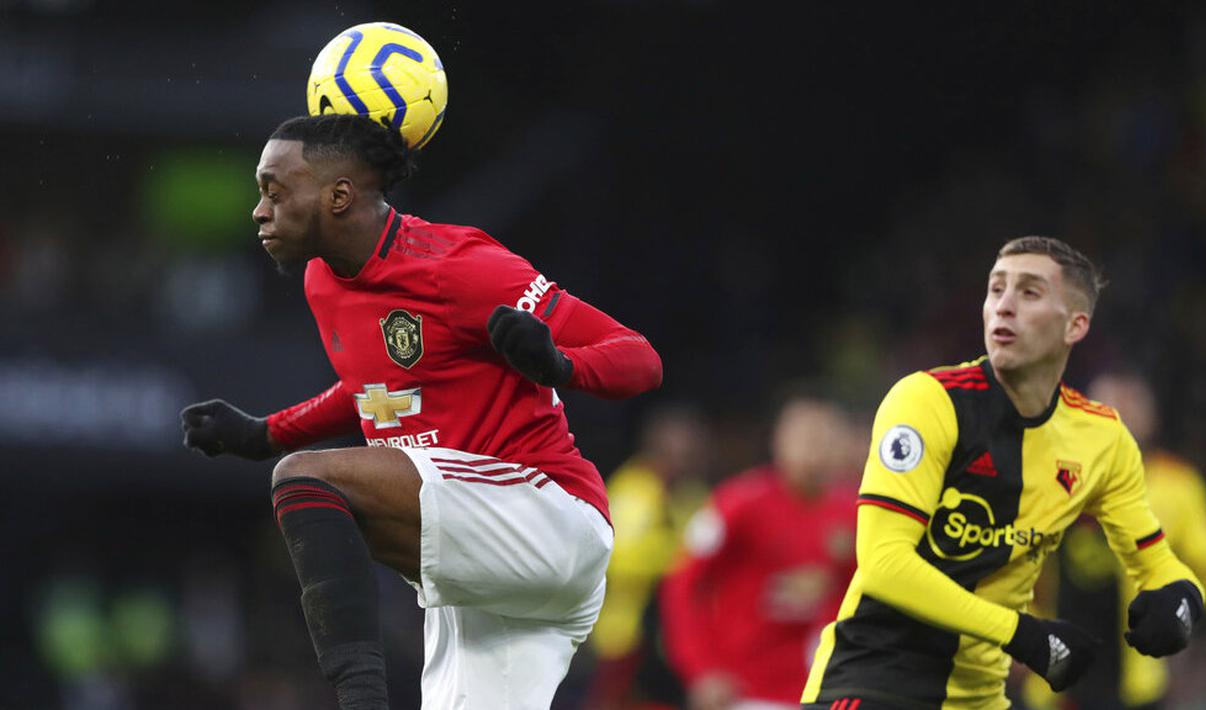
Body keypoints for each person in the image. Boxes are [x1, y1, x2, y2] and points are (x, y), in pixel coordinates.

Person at [179, 114, 662, 710]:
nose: (259, 210)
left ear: (338, 195)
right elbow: (379, 391)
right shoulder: (322, 283)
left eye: (274, 192)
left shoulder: (457, 266)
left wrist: (559, 365)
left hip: (547, 517)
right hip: (483, 582)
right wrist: (264, 433)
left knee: (305, 481)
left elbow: (640, 359)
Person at [800, 236, 1206, 709]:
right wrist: (1022, 634)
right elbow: (884, 564)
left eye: (1029, 293)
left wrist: (1180, 601)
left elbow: (1156, 562)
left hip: (982, 698)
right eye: (996, 290)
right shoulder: (928, 401)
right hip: (874, 683)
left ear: (1076, 325)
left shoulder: (1103, 440)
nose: (1004, 306)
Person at [1020, 370, 1206, 710]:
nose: (1121, 414)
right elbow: (1013, 568)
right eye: (1108, 404)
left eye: (1131, 404)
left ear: (1152, 417)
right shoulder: (1049, 482)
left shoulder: (1177, 484)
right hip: (1056, 690)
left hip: (1137, 691)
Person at [661, 387, 859, 710]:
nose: (814, 451)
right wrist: (700, 669)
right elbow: (682, 584)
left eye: (824, 439)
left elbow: (860, 598)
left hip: (821, 690)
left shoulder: (852, 513)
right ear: (778, 441)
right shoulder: (738, 503)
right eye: (805, 438)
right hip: (744, 691)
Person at [585, 403, 712, 710]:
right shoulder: (633, 488)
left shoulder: (692, 494)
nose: (683, 458)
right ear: (655, 447)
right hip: (627, 633)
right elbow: (619, 557)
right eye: (677, 449)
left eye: (690, 451)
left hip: (674, 631)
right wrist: (676, 556)